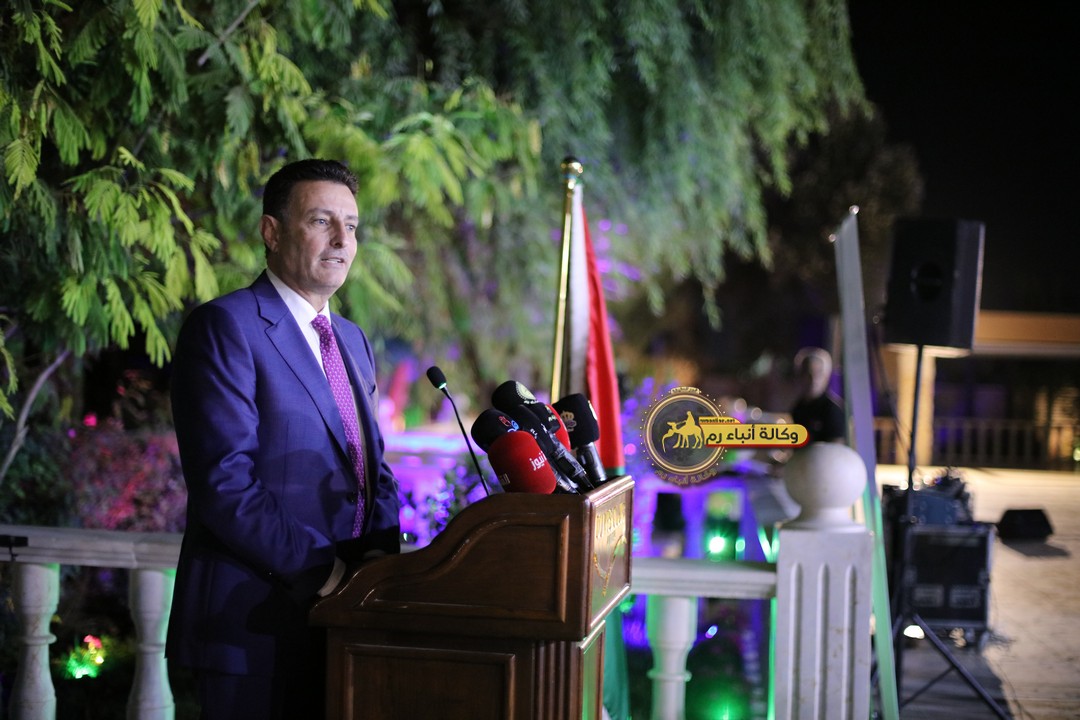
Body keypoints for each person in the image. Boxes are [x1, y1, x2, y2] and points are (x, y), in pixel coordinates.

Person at [166, 159, 401, 719]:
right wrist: (326, 573)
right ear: (271, 232)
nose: (342, 239)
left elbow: (371, 467)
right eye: (321, 221)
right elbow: (226, 484)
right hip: (252, 627)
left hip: (343, 623)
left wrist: (378, 562)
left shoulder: (351, 339)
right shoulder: (227, 327)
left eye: (351, 225)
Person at [791, 346, 846, 444]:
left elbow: (836, 448)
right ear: (800, 375)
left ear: (826, 376)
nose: (814, 380)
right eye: (808, 374)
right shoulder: (798, 408)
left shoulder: (832, 410)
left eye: (818, 374)